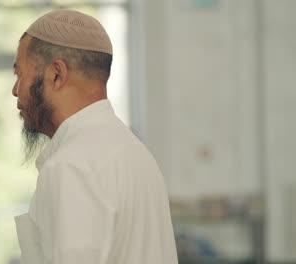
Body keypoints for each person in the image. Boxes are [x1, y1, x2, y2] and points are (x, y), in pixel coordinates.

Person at [12, 9, 178, 264]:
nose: (15, 90)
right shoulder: (133, 151)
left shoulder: (71, 165)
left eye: (20, 75)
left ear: (57, 74)